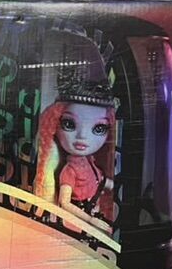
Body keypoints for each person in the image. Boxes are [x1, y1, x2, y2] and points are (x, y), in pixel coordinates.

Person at [33, 75, 119, 234]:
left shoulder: (90, 162)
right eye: (69, 124)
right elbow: (64, 203)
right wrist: (90, 220)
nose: (82, 136)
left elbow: (99, 181)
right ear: (54, 124)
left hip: (92, 217)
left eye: (99, 128)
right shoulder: (69, 171)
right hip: (76, 223)